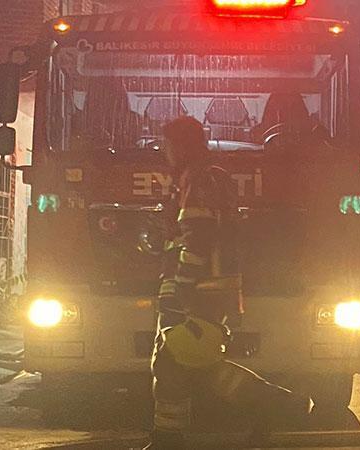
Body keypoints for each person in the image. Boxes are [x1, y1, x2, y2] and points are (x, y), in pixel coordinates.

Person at [146, 116, 315, 449]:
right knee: (196, 363)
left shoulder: (198, 179)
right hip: (211, 290)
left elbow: (197, 235)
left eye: (167, 145)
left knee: (175, 360)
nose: (164, 152)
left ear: (181, 146)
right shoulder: (208, 177)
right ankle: (277, 406)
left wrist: (180, 288)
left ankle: (170, 438)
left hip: (199, 292)